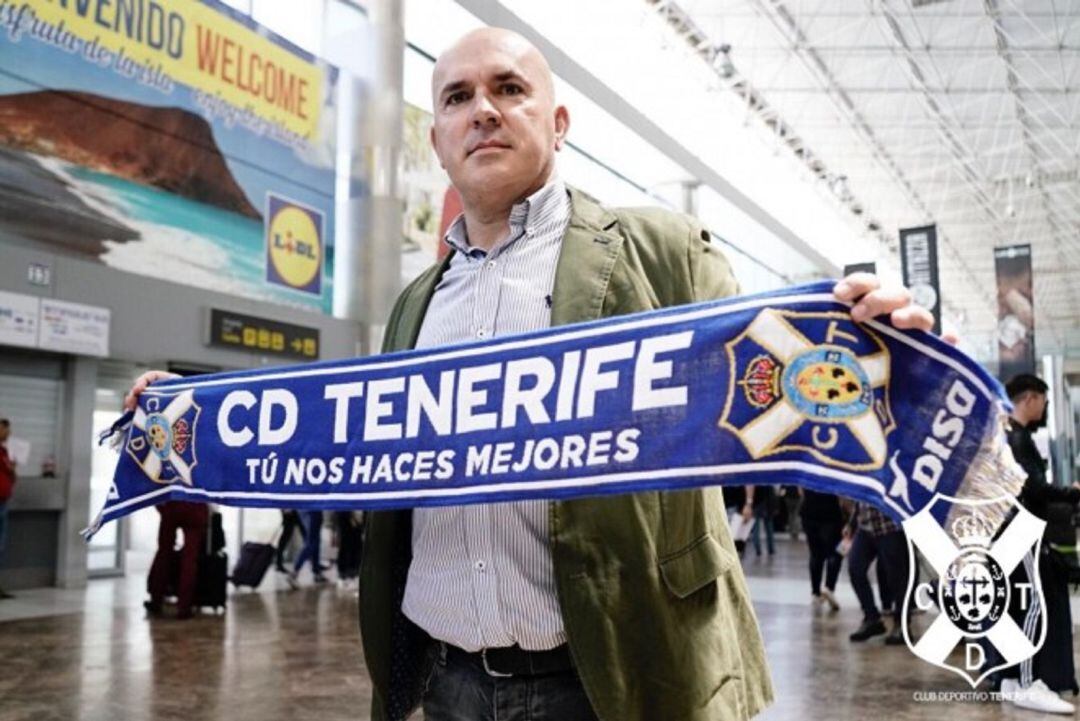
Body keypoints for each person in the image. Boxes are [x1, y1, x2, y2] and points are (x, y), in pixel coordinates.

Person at [124, 27, 934, 721]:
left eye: (509, 89)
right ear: (438, 139)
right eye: (456, 98)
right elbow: (340, 431)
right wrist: (186, 415)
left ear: (557, 120)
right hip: (447, 682)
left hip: (614, 672)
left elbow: (779, 359)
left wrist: (885, 342)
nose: (482, 109)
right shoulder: (415, 304)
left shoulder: (660, 249)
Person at [996, 374, 1079, 714]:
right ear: (1030, 398)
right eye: (1043, 401)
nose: (1044, 407)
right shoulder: (1016, 440)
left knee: (1016, 607)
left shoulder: (1003, 437)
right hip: (1021, 529)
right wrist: (1072, 493)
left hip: (1007, 529)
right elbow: (1032, 489)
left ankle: (1012, 680)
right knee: (1031, 606)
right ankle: (1028, 682)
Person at [845, 503, 908, 645]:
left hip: (890, 526)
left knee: (897, 578)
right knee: (855, 568)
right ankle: (871, 618)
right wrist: (852, 522)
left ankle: (902, 624)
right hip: (865, 526)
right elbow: (861, 493)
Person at [145, 500, 209, 619]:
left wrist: (161, 507)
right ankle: (184, 608)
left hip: (171, 503)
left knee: (164, 553)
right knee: (190, 559)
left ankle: (156, 600)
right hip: (195, 506)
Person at [799, 488, 843, 611]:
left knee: (815, 554)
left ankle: (815, 593)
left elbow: (800, 489)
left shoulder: (807, 469)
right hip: (830, 512)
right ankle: (829, 588)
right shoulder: (834, 469)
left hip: (808, 512)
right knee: (835, 553)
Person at [287, 510, 327, 589]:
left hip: (304, 509)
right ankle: (294, 573)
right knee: (311, 542)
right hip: (312, 508)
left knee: (315, 541)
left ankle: (317, 573)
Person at [0, 418, 16, 600]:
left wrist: (12, 470)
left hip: (4, 501)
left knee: (1, 546)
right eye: (5, 430)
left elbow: (11, 476)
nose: (8, 434)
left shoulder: (5, 452)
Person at [275, 509, 302, 573]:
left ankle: (314, 563)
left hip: (291, 513)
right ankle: (279, 564)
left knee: (308, 537)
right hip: (289, 514)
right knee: (283, 541)